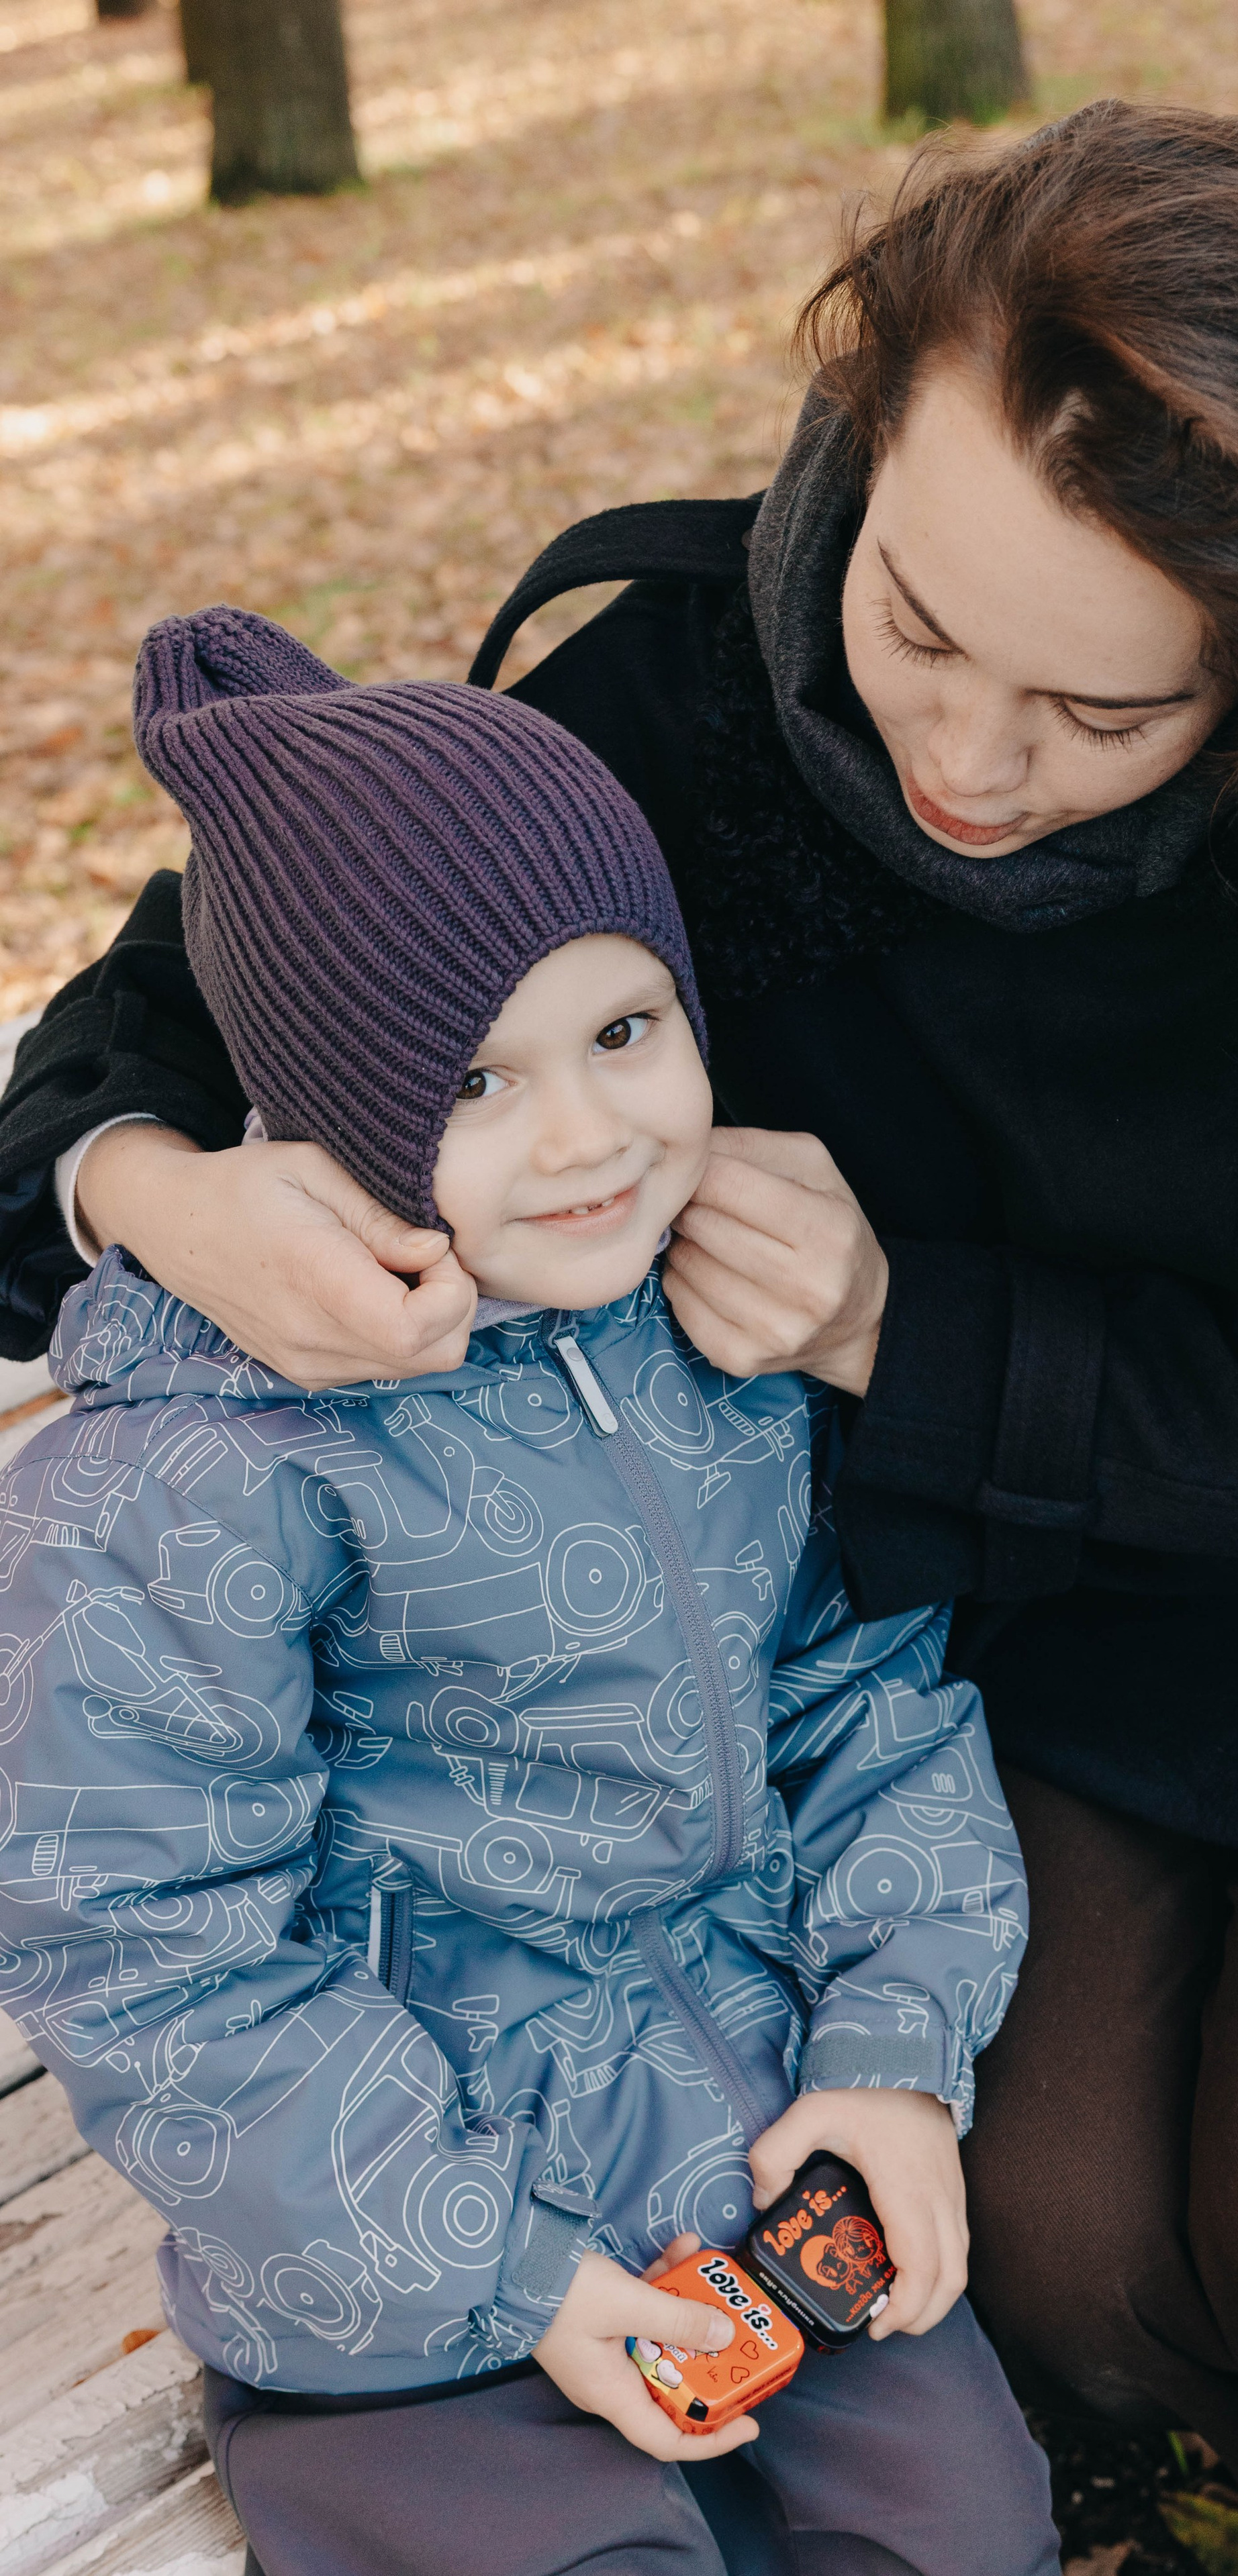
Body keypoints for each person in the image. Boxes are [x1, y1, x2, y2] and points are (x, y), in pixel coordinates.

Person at [0, 97, 1238, 2573]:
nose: (962, 762)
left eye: (1105, 714)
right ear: (856, 439)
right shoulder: (684, 707)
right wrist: (162, 1196)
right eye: (919, 622)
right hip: (1003, 1582)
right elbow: (144, 1026)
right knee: (1078, 2251)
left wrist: (916, 1333)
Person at [0, 607, 1055, 2576]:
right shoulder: (195, 1475)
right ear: (316, 1108)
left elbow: (869, 1692)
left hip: (751, 2153)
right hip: (399, 2256)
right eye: (475, 1085)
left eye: (624, 1033)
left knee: (963, 2536)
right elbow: (148, 1947)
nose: (585, 1138)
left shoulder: (706, 1337)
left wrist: (893, 2057)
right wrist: (503, 2275)